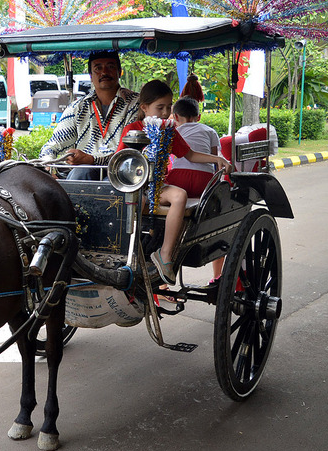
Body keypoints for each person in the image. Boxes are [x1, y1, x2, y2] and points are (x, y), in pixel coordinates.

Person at [117, 80, 230, 285]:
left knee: (180, 196)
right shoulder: (133, 129)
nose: (165, 112)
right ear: (144, 108)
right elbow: (120, 161)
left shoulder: (169, 131)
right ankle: (128, 255)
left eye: (169, 107)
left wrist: (217, 159)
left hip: (157, 186)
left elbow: (191, 155)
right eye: (159, 107)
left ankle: (165, 255)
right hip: (134, 189)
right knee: (137, 203)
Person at [39, 51, 139, 179]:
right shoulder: (78, 108)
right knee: (81, 172)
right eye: (98, 68)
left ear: (119, 72)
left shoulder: (136, 104)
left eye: (110, 67)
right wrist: (48, 170)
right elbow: (53, 145)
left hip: (122, 173)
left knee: (114, 179)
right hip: (81, 175)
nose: (104, 72)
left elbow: (130, 153)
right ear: (91, 75)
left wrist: (92, 160)